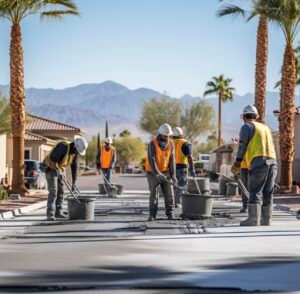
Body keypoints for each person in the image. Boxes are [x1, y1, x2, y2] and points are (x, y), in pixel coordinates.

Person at [231, 105, 277, 226]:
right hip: (273, 162)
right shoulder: (265, 128)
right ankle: (266, 220)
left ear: (244, 117)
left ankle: (253, 219)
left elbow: (242, 146)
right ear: (256, 116)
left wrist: (237, 164)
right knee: (268, 191)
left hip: (259, 161)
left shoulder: (247, 126)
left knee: (255, 190)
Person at [43, 136, 88, 221]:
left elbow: (74, 167)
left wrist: (74, 183)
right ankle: (50, 213)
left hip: (59, 169)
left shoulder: (75, 154)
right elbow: (53, 158)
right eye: (77, 151)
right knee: (54, 191)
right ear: (75, 146)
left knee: (61, 191)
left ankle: (58, 212)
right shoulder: (63, 146)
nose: (77, 153)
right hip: (50, 167)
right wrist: (59, 171)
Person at [145, 123, 176, 221]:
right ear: (160, 135)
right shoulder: (152, 144)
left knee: (169, 193)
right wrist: (158, 174)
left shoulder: (171, 144)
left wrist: (173, 175)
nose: (167, 137)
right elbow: (152, 160)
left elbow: (172, 160)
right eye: (165, 136)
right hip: (153, 172)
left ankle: (170, 213)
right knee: (154, 193)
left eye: (168, 136)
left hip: (166, 171)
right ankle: (152, 214)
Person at [172, 127, 195, 207]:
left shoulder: (170, 143)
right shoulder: (185, 143)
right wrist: (192, 168)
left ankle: (173, 203)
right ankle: (178, 203)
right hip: (182, 167)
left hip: (171, 168)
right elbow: (189, 156)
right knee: (182, 185)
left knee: (175, 186)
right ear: (181, 134)